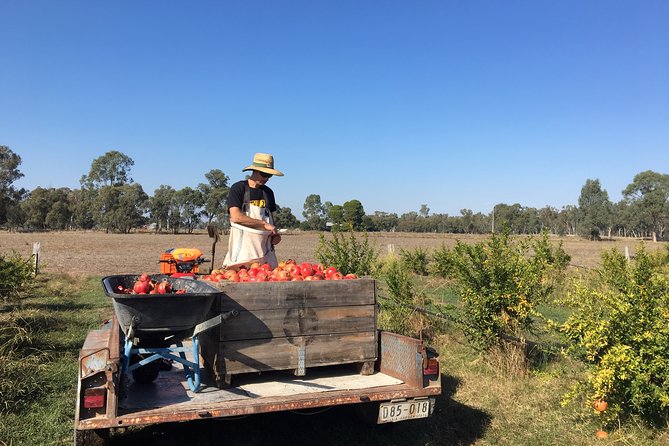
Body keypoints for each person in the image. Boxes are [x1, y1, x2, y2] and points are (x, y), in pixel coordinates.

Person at [222, 153, 284, 269]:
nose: (266, 179)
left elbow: (271, 222)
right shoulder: (238, 188)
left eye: (269, 176)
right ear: (254, 171)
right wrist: (263, 224)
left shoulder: (268, 193)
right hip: (242, 256)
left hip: (266, 257)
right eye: (264, 174)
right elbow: (236, 217)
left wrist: (275, 236)